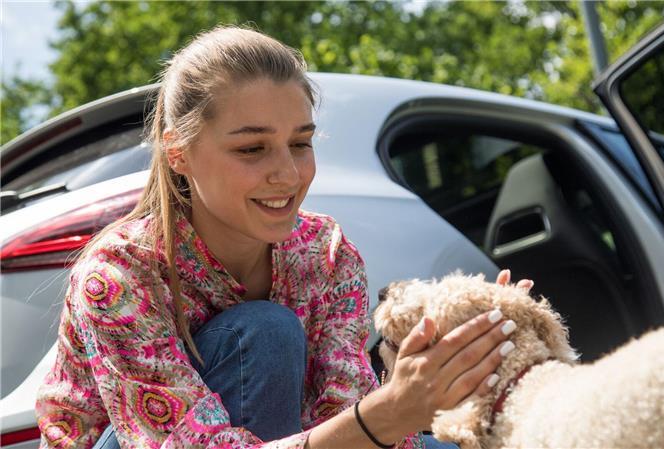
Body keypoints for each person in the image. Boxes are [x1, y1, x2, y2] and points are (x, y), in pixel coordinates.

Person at [35, 26, 527, 449]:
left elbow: (345, 415)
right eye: (252, 148)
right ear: (179, 153)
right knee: (265, 333)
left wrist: (450, 366)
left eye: (300, 143)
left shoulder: (325, 255)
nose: (288, 175)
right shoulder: (120, 275)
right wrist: (385, 414)